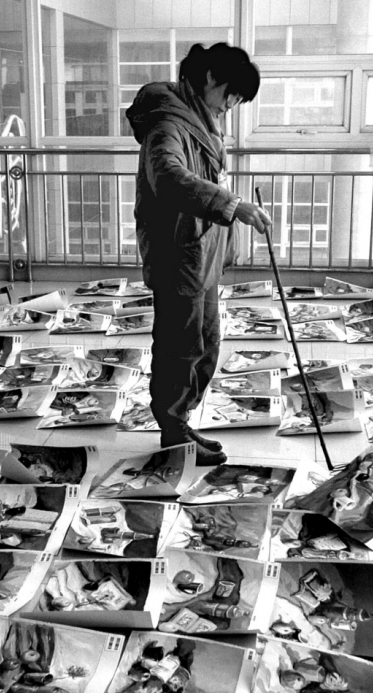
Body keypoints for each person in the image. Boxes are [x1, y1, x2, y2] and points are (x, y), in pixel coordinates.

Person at [126, 42, 271, 466]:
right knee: (180, 346)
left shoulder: (199, 118)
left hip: (200, 251)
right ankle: (173, 433)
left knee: (206, 343)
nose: (231, 105)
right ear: (209, 78)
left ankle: (182, 422)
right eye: (231, 94)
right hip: (178, 253)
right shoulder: (167, 122)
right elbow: (169, 177)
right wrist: (233, 205)